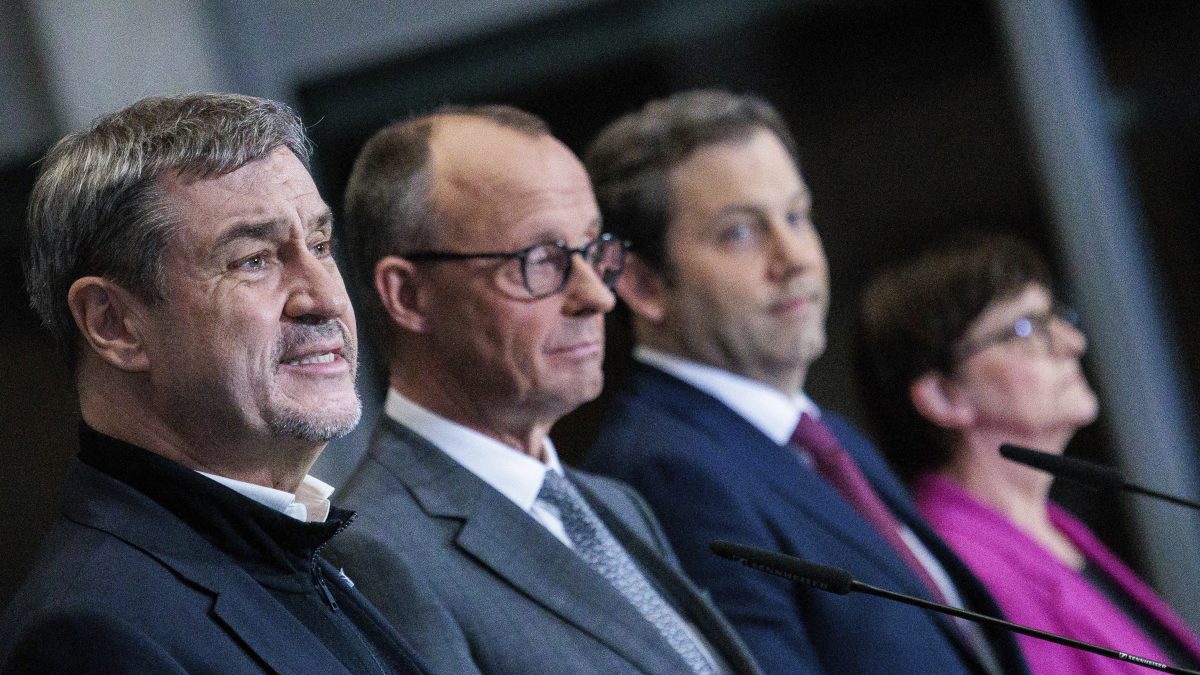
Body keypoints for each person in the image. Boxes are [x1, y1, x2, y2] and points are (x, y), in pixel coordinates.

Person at [583, 89, 1029, 675]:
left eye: (796, 216)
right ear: (642, 284)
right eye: (739, 233)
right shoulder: (667, 474)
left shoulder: (822, 438)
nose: (793, 256)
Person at [0, 93, 435, 674]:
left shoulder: (308, 556)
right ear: (114, 323)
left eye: (322, 246)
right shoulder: (89, 634)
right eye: (254, 259)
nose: (326, 298)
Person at [325, 105, 762, 674]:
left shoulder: (615, 505)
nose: (597, 297)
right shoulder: (376, 554)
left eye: (591, 250)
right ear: (408, 296)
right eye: (541, 261)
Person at [856, 232, 1200, 674]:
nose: (1073, 343)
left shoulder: (1049, 528)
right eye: (1025, 329)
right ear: (943, 396)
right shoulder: (966, 565)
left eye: (1056, 317)